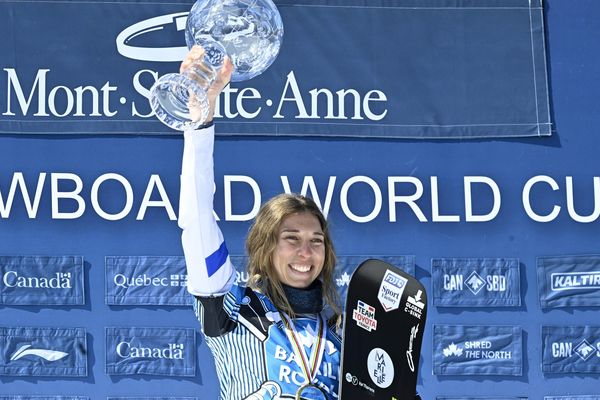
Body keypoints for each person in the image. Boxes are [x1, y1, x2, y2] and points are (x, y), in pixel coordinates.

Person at [179, 46, 342, 400]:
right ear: (266, 246)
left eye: (317, 240)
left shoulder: (342, 336)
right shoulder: (229, 307)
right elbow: (196, 220)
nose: (306, 251)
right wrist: (200, 124)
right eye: (292, 238)